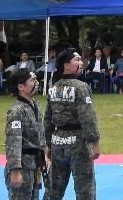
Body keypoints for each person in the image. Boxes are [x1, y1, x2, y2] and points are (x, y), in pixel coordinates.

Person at [44, 48, 100, 199]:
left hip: (57, 142)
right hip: (78, 143)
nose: (81, 63)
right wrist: (95, 143)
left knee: (53, 188)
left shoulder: (54, 87)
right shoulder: (81, 87)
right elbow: (88, 117)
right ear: (66, 65)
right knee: (85, 188)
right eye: (77, 60)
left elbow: (48, 119)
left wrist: (48, 145)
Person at [4, 68, 46, 200]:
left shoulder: (35, 105)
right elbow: (13, 142)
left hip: (36, 162)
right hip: (23, 163)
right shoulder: (16, 111)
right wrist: (15, 170)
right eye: (32, 80)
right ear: (21, 87)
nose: (37, 83)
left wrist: (45, 157)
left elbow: (41, 134)